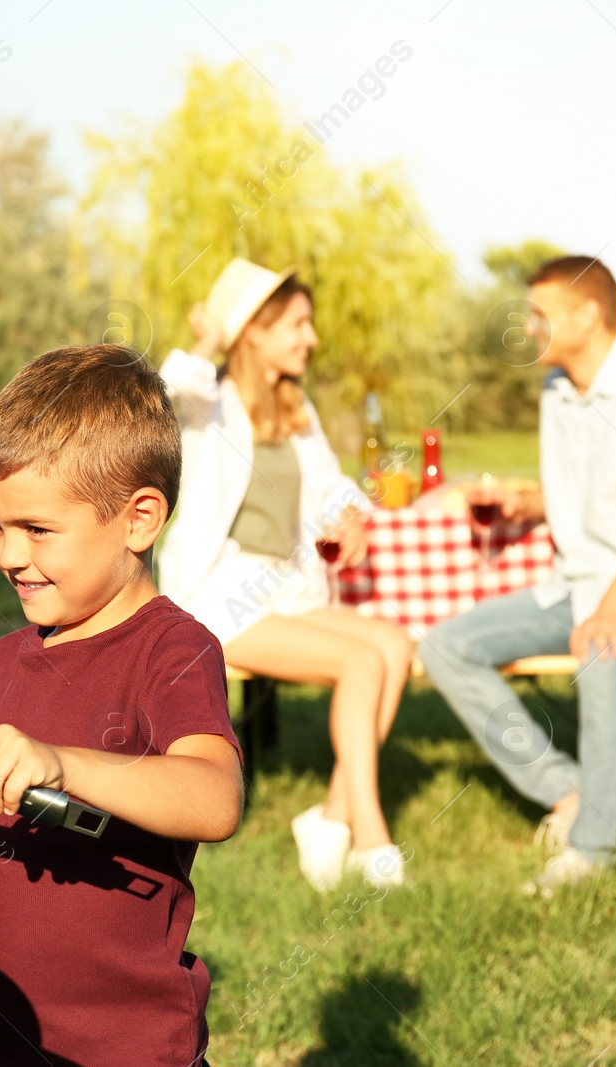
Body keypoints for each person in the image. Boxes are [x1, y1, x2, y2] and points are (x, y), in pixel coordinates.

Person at [0, 345, 244, 1067]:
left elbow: (214, 796)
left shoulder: (173, 650)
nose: (6, 554)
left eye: (37, 529)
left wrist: (64, 764)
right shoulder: (9, 658)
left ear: (138, 519)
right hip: (0, 1039)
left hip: (123, 1048)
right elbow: (4, 885)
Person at [420, 256, 616, 896]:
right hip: (575, 584)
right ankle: (568, 789)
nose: (527, 327)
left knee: (604, 655)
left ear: (589, 315)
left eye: (541, 313)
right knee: (445, 645)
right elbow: (580, 494)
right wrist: (531, 504)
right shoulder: (558, 392)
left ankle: (592, 852)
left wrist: (611, 610)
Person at [154, 258, 414, 892]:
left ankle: (330, 816)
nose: (311, 338)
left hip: (286, 589)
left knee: (395, 646)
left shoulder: (298, 410)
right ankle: (371, 835)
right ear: (255, 331)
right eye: (298, 324)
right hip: (220, 602)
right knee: (360, 665)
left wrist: (349, 515)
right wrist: (210, 333)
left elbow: (332, 488)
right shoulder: (206, 404)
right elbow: (166, 383)